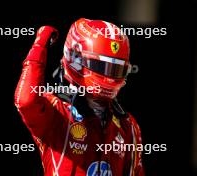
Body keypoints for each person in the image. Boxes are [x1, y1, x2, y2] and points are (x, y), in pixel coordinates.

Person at [14, 18, 144, 176]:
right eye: (101, 66)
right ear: (75, 59)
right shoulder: (57, 112)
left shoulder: (128, 125)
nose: (109, 77)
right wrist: (39, 47)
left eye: (116, 69)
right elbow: (26, 101)